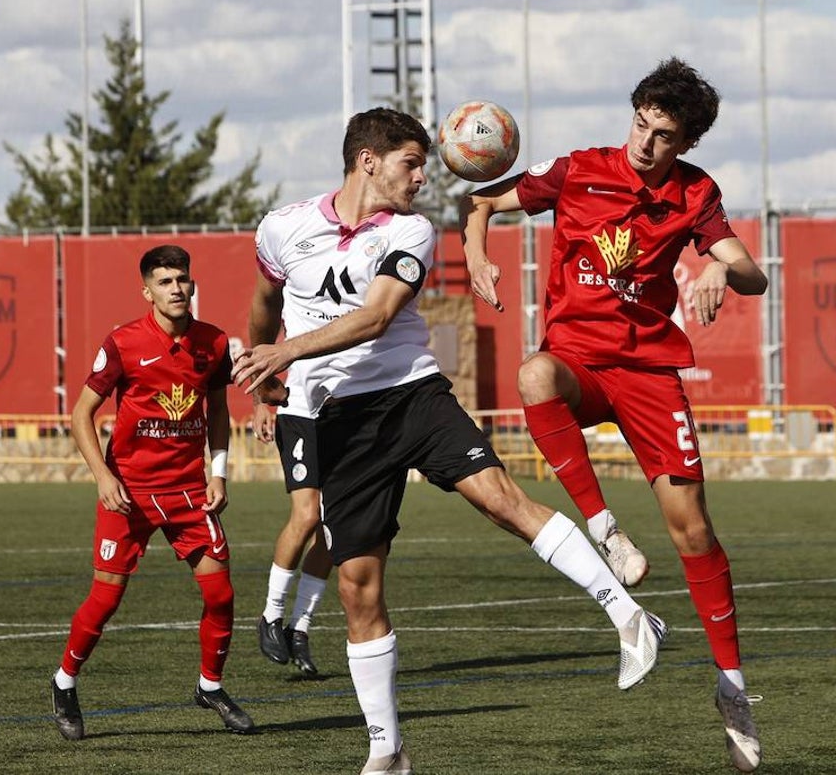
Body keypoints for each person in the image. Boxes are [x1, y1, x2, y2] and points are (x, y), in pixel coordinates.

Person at [232, 107, 667, 775]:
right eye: (412, 164)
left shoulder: (412, 230)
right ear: (367, 161)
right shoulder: (283, 226)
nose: (421, 179)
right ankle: (387, 750)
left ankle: (628, 616)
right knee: (357, 586)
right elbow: (266, 297)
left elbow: (377, 317)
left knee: (500, 499)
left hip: (412, 396)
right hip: (339, 422)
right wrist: (270, 375)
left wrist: (283, 350)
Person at [459, 57, 767, 773]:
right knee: (533, 373)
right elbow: (482, 202)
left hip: (650, 372)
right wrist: (478, 256)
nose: (645, 142)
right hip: (580, 364)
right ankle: (605, 532)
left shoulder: (695, 194)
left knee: (692, 528)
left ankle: (733, 689)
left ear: (686, 143)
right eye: (640, 123)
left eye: (663, 134)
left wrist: (722, 267)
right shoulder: (576, 171)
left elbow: (750, 269)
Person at [49, 244, 254, 740]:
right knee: (105, 599)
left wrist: (219, 471)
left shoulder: (215, 343)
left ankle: (210, 686)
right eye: (165, 282)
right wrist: (103, 476)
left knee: (221, 594)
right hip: (130, 494)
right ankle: (64, 681)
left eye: (182, 279)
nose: (177, 288)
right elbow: (80, 415)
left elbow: (220, 411)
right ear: (147, 291)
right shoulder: (122, 343)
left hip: (188, 493)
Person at [250, 365, 331, 676]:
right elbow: (263, 340)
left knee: (332, 526)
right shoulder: (295, 313)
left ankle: (299, 629)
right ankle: (272, 615)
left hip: (345, 417)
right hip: (299, 411)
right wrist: (260, 402)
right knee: (308, 513)